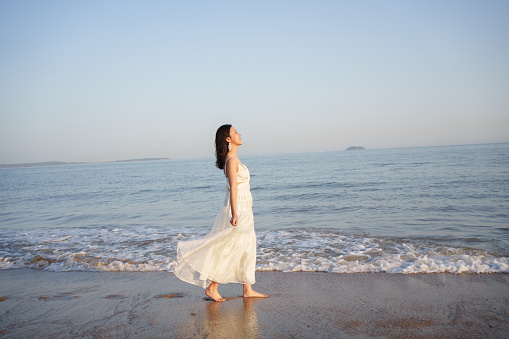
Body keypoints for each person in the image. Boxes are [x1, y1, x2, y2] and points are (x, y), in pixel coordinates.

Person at [175, 124, 268, 302]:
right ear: (228, 139)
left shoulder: (234, 159)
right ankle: (213, 287)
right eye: (235, 132)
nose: (239, 134)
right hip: (238, 208)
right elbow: (233, 188)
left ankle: (247, 288)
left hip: (244, 208)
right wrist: (235, 213)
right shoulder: (231, 161)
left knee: (247, 245)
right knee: (231, 247)